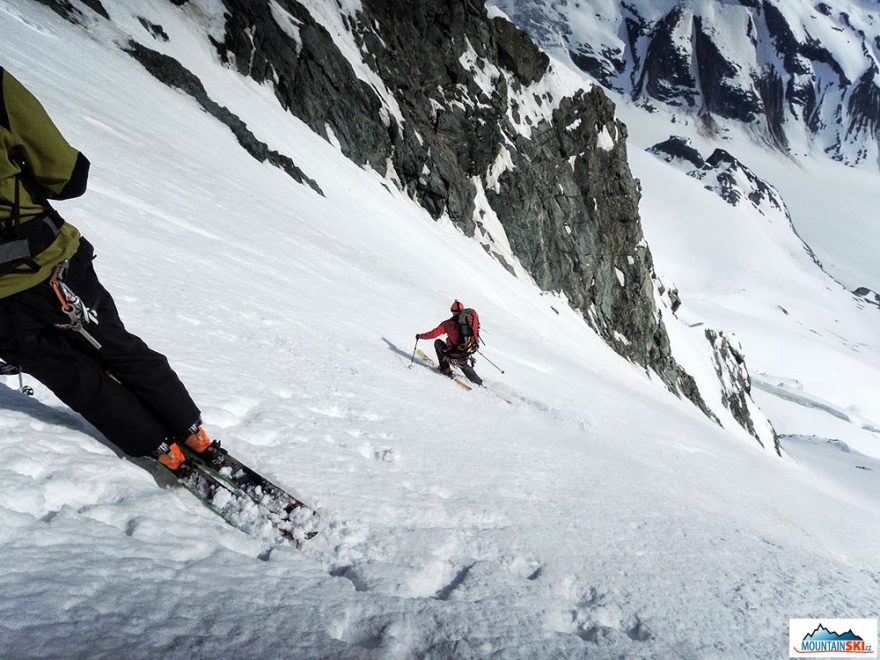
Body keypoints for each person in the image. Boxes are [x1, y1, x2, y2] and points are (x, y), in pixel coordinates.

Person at [0, 66, 213, 474]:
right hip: (48, 265)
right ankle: (190, 431)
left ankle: (157, 447)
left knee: (74, 377)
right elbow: (66, 176)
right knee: (115, 346)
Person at [416, 300, 483, 385]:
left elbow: (433, 334)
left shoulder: (447, 324)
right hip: (469, 348)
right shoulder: (469, 321)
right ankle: (478, 382)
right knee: (462, 362)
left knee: (438, 343)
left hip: (455, 353)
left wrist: (420, 336)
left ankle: (445, 369)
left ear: (452, 311)